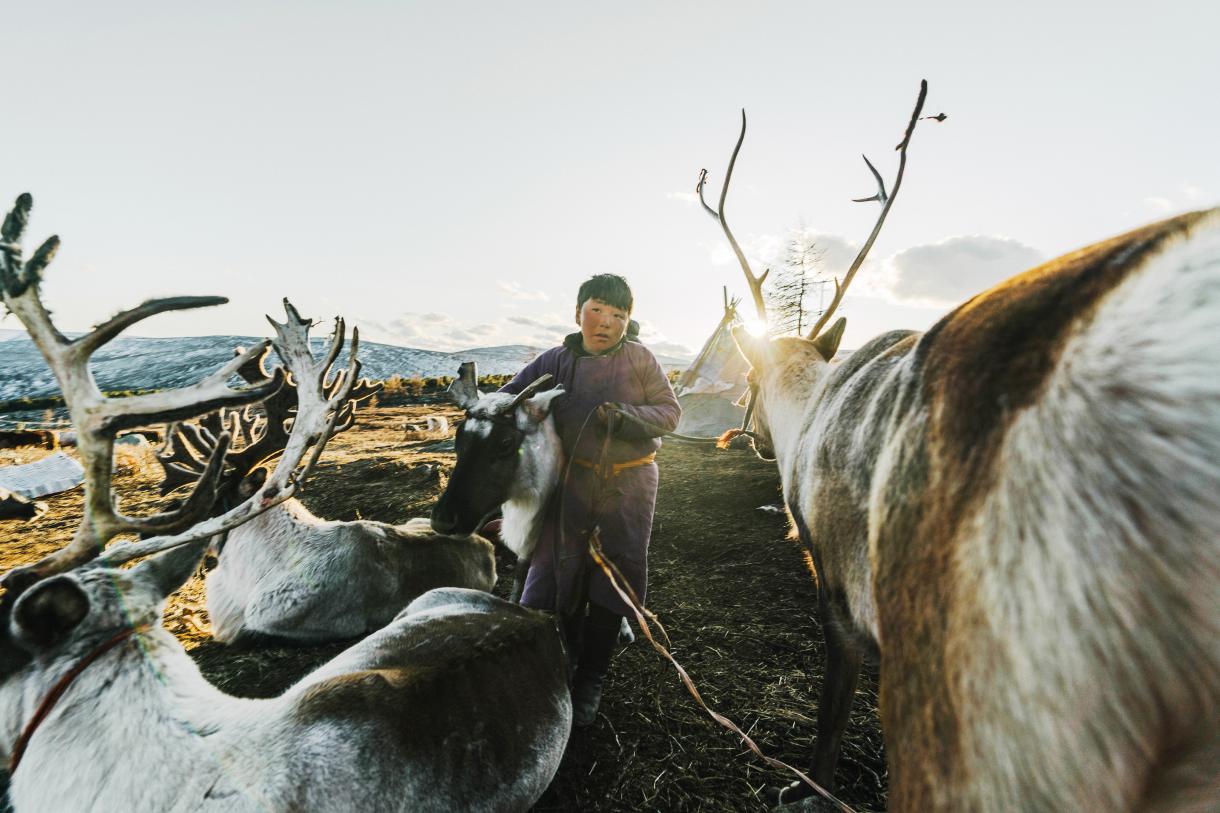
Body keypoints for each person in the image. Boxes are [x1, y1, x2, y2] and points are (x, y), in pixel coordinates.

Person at [499, 273, 681, 727]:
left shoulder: (640, 359)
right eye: (598, 310)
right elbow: (507, 398)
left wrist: (627, 416)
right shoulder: (555, 361)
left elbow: (670, 413)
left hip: (630, 482)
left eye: (619, 315)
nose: (607, 322)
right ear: (578, 311)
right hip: (572, 482)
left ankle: (591, 677)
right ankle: (543, 661)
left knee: (615, 574)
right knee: (553, 567)